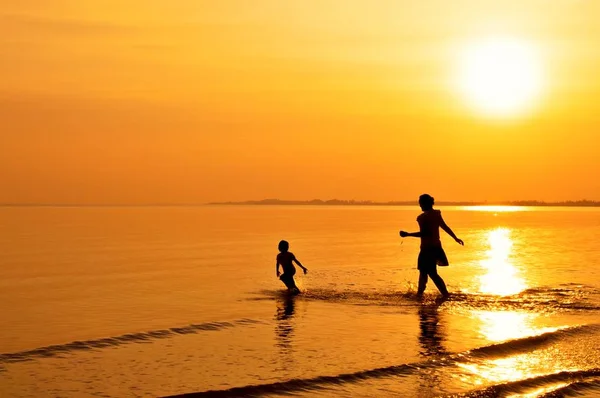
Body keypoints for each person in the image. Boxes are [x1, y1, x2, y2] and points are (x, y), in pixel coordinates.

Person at [399, 194, 463, 298]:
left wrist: (408, 234)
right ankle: (420, 295)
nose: (420, 205)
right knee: (424, 272)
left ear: (425, 204)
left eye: (421, 203)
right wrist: (455, 238)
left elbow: (425, 233)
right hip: (436, 247)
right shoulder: (436, 214)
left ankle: (444, 294)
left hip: (427, 249)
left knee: (431, 273)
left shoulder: (423, 217)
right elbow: (445, 227)